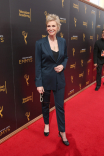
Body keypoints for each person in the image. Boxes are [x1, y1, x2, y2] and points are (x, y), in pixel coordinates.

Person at [35, 14, 69, 146]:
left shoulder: (63, 41)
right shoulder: (39, 43)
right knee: (45, 104)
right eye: (48, 26)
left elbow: (65, 57)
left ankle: (62, 132)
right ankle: (47, 124)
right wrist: (38, 83)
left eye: (53, 25)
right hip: (44, 80)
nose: (50, 28)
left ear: (58, 27)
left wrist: (63, 66)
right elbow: (38, 65)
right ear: (46, 28)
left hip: (59, 80)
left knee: (60, 107)